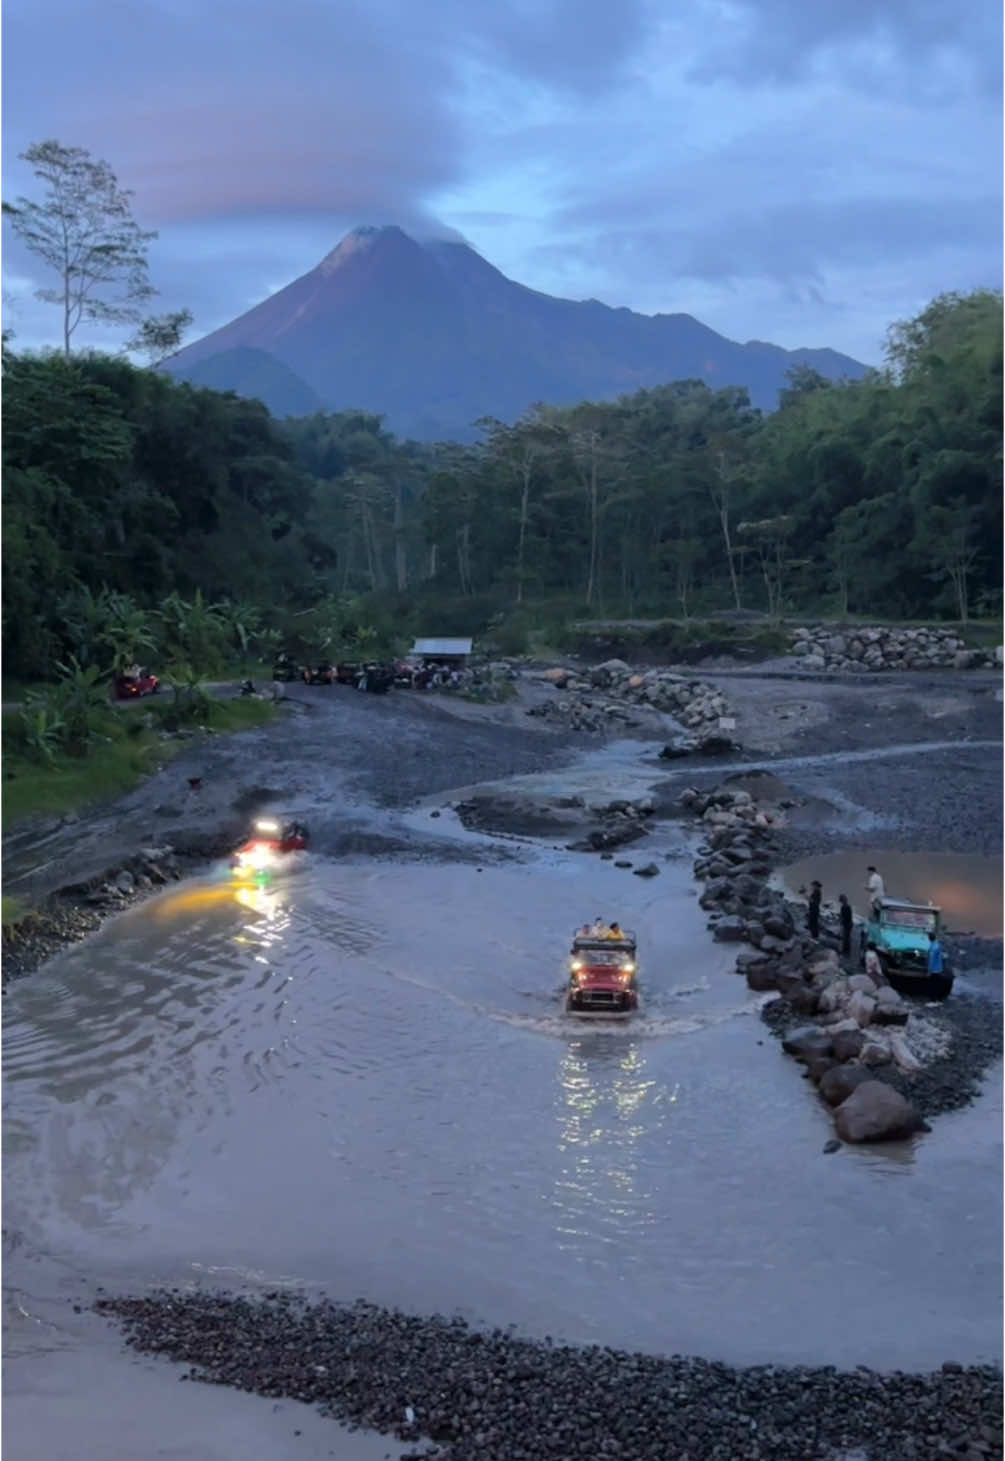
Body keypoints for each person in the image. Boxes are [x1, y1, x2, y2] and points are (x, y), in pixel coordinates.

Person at [838, 893, 853, 957]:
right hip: (849, 923)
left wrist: (841, 920)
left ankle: (845, 950)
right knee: (847, 936)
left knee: (845, 937)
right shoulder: (848, 906)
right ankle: (846, 949)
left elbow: (845, 916)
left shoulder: (845, 907)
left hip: (847, 924)